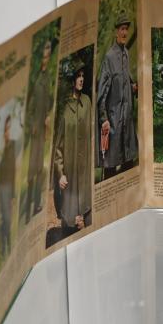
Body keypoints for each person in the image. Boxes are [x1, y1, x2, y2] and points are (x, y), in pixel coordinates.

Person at [54, 63, 93, 238]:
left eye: (83, 76)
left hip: (85, 168)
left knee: (87, 215)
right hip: (70, 169)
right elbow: (58, 145)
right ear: (72, 80)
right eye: (78, 76)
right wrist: (60, 173)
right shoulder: (64, 108)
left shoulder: (87, 101)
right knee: (68, 221)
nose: (81, 79)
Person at [97, 12, 138, 178]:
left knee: (128, 162)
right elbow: (103, 91)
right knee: (110, 166)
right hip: (113, 121)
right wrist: (104, 118)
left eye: (127, 29)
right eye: (122, 29)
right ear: (116, 32)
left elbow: (124, 80)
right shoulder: (109, 57)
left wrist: (133, 87)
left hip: (127, 119)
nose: (125, 33)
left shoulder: (125, 53)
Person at [25, 39, 53, 218]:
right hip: (35, 132)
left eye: (48, 56)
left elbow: (48, 101)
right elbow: (29, 109)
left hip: (42, 131)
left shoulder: (47, 77)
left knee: (38, 169)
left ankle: (35, 205)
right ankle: (29, 207)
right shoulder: (36, 79)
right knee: (31, 170)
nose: (46, 59)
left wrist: (48, 114)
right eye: (44, 56)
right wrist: (32, 125)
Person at [0, 115, 16, 258]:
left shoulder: (12, 146)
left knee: (7, 219)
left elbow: (13, 171)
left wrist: (13, 195)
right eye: (6, 129)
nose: (7, 132)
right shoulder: (3, 149)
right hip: (2, 188)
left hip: (8, 188)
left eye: (9, 129)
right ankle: (4, 248)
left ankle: (7, 247)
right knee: (5, 218)